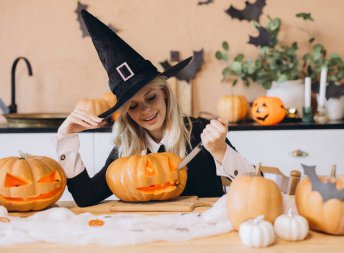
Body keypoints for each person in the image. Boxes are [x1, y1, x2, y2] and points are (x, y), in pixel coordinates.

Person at [55, 10, 254, 207]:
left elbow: (255, 185)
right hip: (149, 232)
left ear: (165, 94)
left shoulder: (201, 132)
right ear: (125, 113)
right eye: (133, 106)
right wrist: (66, 138)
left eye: (151, 97)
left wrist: (221, 151)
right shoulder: (127, 148)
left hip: (203, 228)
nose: (145, 110)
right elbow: (86, 196)